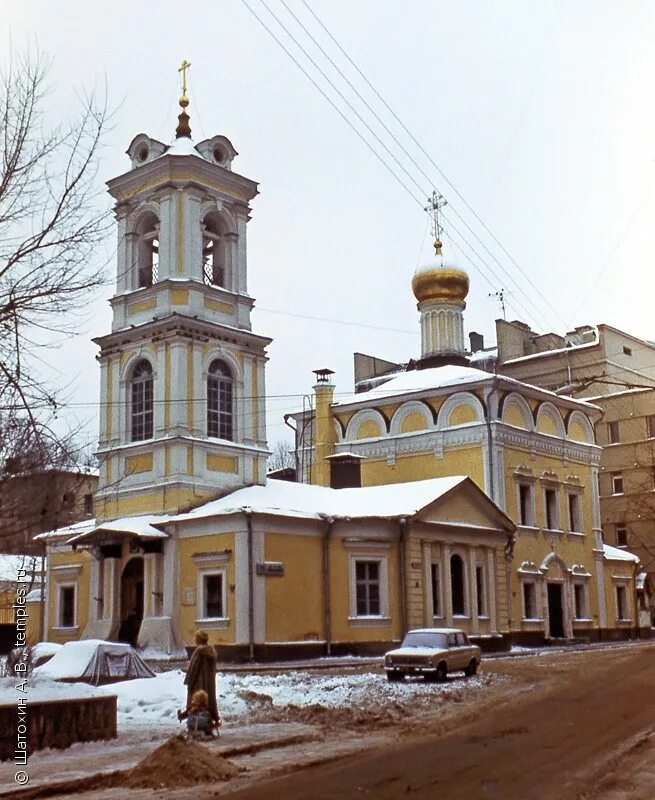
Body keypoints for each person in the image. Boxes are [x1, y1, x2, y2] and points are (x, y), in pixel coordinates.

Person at [183, 629, 220, 727]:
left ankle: (196, 724)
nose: (194, 639)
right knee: (208, 701)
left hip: (198, 683)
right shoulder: (212, 652)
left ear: (198, 639)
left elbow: (193, 668)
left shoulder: (199, 652)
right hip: (209, 683)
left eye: (196, 637)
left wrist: (189, 682)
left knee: (197, 702)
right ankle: (212, 719)